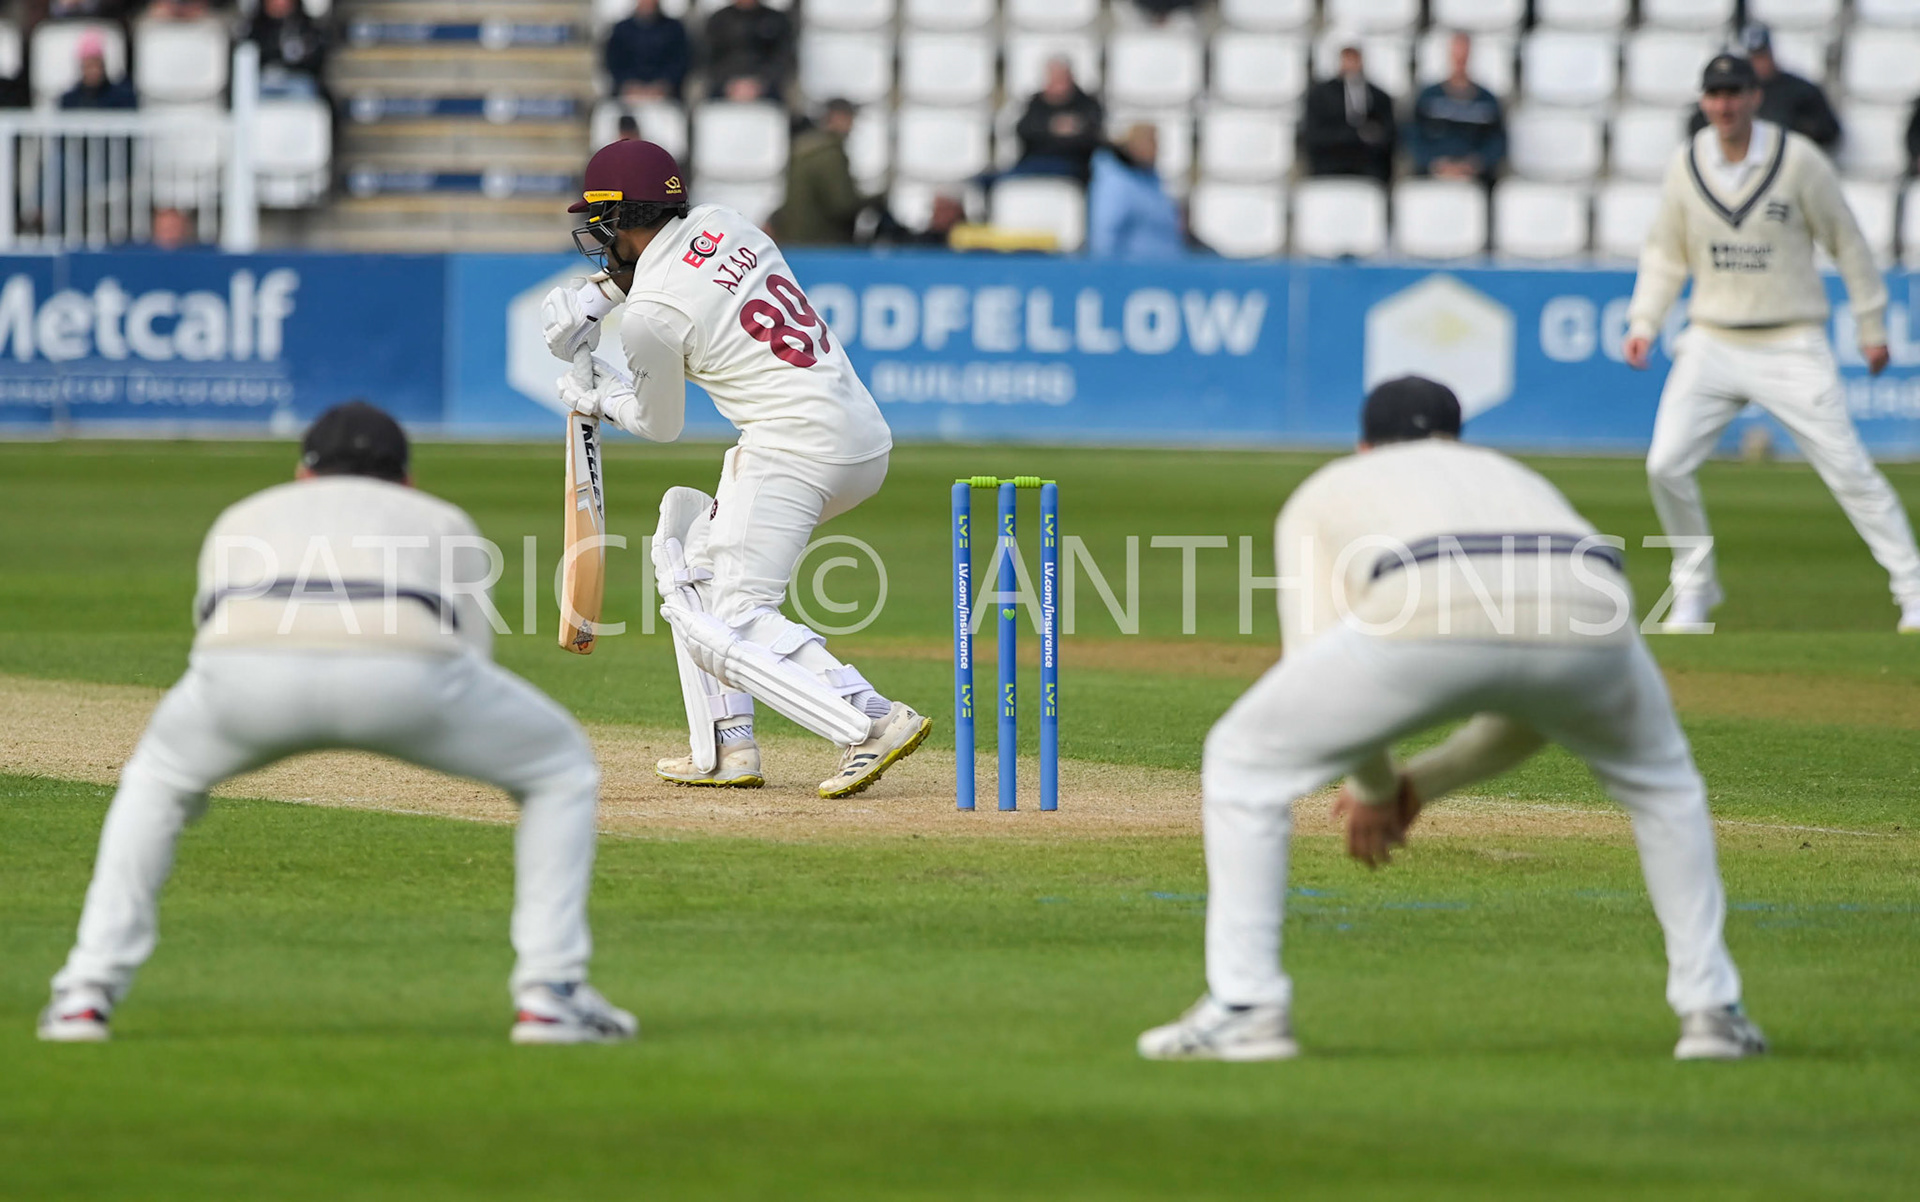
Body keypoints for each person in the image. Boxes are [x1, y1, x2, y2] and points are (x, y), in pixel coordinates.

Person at [1137, 376, 1766, 1063]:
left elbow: (1318, 660)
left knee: (1244, 759)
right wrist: (1423, 786)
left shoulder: (1327, 491)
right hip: (1594, 604)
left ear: (1362, 446)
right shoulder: (1508, 473)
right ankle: (1713, 1014)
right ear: (1459, 440)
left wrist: (1379, 792)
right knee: (1664, 785)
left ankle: (1247, 1005)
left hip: (1430, 599)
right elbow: (1537, 707)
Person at [38, 403, 636, 1046]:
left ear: (302, 473)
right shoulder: (441, 518)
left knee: (156, 779)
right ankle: (551, 994)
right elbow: (469, 653)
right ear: (405, 480)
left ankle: (84, 993)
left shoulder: (243, 515)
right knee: (558, 767)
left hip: (243, 679)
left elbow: (209, 633)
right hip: (407, 675)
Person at [540, 140, 929, 797]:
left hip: (793, 448)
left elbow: (660, 425)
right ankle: (727, 746)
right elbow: (678, 273)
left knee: (734, 615)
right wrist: (600, 296)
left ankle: (870, 721)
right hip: (862, 439)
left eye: (603, 223)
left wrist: (594, 393)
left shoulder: (651, 319)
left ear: (621, 218)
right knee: (694, 562)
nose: (598, 236)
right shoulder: (726, 221)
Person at [1625, 54, 1920, 633]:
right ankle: (1695, 589)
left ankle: (1912, 588)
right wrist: (1643, 323)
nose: (1724, 104)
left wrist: (1873, 326)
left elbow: (1848, 244)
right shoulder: (1687, 164)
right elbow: (1665, 252)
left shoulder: (1798, 161)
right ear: (1703, 100)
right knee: (1665, 464)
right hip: (1710, 339)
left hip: (1791, 342)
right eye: (1714, 94)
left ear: (1755, 97)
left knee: (1849, 470)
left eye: (1735, 92)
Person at [1688, 25, 1839, 154]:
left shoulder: (1801, 90)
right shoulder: (1728, 88)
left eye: (1761, 55)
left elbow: (1829, 132)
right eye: (1752, 57)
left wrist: (1797, 133)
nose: (1757, 63)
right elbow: (1696, 126)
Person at [1408, 31, 1505, 183]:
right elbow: (1412, 136)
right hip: (1432, 176)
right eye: (1456, 54)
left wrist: (1475, 164)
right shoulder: (1429, 97)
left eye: (1464, 55)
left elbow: (1497, 141)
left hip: (1474, 178)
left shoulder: (1486, 100)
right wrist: (1435, 163)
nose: (1460, 60)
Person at [777, 99, 873, 246]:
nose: (852, 125)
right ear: (837, 118)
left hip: (796, 240)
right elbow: (841, 205)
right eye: (849, 118)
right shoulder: (830, 154)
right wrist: (874, 201)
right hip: (823, 242)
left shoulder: (804, 148)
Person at [1301, 41, 1396, 182]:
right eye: (1347, 58)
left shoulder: (1378, 96)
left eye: (1354, 59)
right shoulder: (1321, 95)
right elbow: (1313, 134)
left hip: (1367, 165)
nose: (1351, 64)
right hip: (1330, 163)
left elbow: (1387, 133)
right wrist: (1353, 136)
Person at [1087, 123, 1183, 259]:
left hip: (1162, 271)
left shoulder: (1152, 181)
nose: (1157, 149)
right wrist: (1107, 273)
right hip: (1133, 273)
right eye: (1151, 142)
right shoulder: (1116, 183)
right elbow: (1104, 234)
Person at [1012, 57, 1105, 182]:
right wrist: (1053, 127)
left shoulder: (1087, 104)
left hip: (1072, 167)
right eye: (1053, 77)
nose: (1056, 82)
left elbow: (1092, 138)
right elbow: (1023, 130)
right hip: (1034, 164)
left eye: (1060, 77)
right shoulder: (1036, 103)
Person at [701, 0, 793, 103]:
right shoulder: (718, 20)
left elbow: (783, 58)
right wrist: (730, 85)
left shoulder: (777, 19)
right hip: (725, 86)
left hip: (766, 87)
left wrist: (759, 84)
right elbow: (708, 59)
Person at [604, 0, 689, 103]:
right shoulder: (621, 29)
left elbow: (679, 62)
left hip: (666, 96)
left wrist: (663, 85)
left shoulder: (674, 29)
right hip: (627, 95)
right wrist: (629, 84)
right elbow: (614, 63)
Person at [243, 0, 328, 99]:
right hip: (263, 82)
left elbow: (316, 62)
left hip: (298, 82)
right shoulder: (253, 29)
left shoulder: (306, 27)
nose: (278, 3)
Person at [59, 32, 136, 110]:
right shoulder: (69, 100)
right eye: (89, 66)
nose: (93, 70)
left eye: (96, 64)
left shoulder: (122, 98)